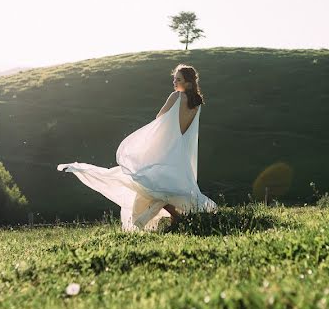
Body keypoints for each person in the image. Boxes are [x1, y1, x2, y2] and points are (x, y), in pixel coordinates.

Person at [57, 64, 217, 231]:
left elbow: (160, 117)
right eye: (174, 79)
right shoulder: (196, 104)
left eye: (178, 79)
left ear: (189, 83)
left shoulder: (176, 97)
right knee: (165, 188)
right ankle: (176, 220)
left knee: (151, 187)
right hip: (180, 151)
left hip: (165, 149)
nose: (174, 82)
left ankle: (175, 218)